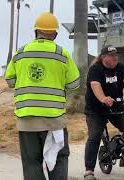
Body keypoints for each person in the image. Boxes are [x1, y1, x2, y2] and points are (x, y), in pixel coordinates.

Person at [4, 12, 80, 180]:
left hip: (27, 121)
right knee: (59, 160)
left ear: (36, 31)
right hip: (54, 120)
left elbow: (9, 80)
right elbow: (74, 84)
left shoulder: (20, 53)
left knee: (31, 162)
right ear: (55, 33)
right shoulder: (62, 54)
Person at [83, 45, 124, 180]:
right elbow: (95, 86)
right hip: (95, 109)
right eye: (112, 55)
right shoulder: (95, 69)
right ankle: (89, 171)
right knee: (95, 136)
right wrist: (103, 98)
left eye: (116, 55)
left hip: (116, 106)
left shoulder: (120, 67)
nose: (116, 57)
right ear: (103, 57)